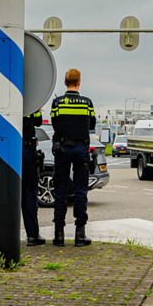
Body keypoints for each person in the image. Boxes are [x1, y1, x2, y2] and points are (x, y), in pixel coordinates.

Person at [50, 68, 96, 247]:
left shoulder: (57, 103)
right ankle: (80, 234)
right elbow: (91, 124)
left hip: (62, 148)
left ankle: (59, 235)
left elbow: (54, 123)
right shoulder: (87, 103)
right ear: (79, 82)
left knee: (60, 191)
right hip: (81, 149)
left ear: (64, 82)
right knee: (80, 192)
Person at [21, 109, 45, 246]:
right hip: (27, 150)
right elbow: (38, 121)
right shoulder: (32, 102)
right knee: (29, 195)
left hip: (8, 150)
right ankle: (32, 235)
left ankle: (5, 235)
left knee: (7, 195)